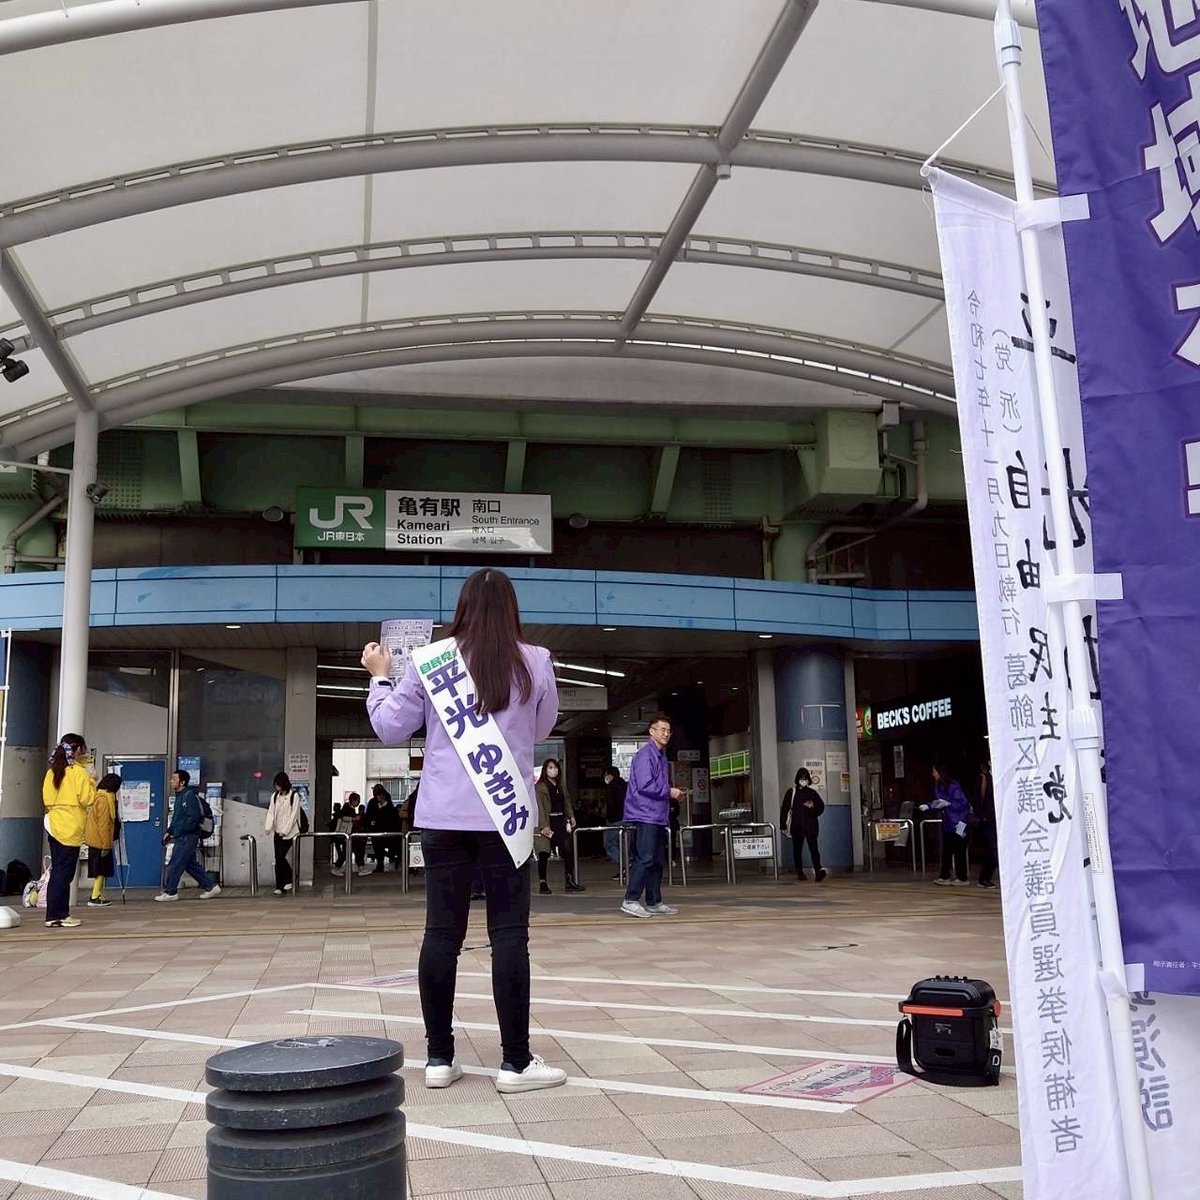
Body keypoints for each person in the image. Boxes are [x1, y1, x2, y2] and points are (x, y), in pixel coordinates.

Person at [362, 566, 566, 1094]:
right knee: (508, 937)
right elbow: (542, 729)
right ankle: (516, 1064)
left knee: (441, 935)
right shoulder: (537, 661)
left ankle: (438, 1059)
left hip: (444, 818)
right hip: (507, 818)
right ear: (511, 610)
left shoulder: (432, 661)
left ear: (462, 609)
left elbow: (388, 727)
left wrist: (380, 674)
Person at [621, 713, 683, 919]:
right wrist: (670, 791)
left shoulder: (659, 755)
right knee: (645, 857)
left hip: (656, 815)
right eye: (662, 730)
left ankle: (654, 901)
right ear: (652, 731)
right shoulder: (645, 755)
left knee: (656, 859)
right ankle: (630, 899)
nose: (666, 734)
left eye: (668, 730)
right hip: (644, 814)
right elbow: (645, 785)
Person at [41, 733, 96, 929]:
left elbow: (47, 799)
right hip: (70, 826)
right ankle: (58, 915)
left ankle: (53, 914)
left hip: (54, 823)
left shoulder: (52, 772)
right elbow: (87, 799)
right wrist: (92, 780)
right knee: (64, 874)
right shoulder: (77, 772)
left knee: (58, 871)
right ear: (78, 750)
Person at [156, 769, 222, 902]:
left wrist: (181, 829)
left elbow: (194, 817)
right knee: (189, 864)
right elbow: (177, 818)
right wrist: (170, 831)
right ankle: (211, 886)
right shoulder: (180, 797)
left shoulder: (188, 796)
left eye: (174, 779)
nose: (171, 781)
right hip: (183, 835)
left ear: (182, 782)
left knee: (175, 863)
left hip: (188, 836)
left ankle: (171, 891)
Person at [534, 758, 584, 895]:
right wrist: (543, 825)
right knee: (544, 853)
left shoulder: (561, 784)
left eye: (555, 768)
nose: (553, 770)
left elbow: (567, 801)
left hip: (560, 821)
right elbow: (539, 808)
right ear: (545, 770)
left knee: (568, 850)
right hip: (547, 822)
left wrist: (571, 816)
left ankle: (569, 880)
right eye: (550, 768)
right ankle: (543, 883)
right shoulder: (540, 787)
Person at [920, 762, 971, 886]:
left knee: (959, 851)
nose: (933, 774)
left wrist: (949, 804)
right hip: (948, 822)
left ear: (940, 772)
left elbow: (962, 803)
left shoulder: (954, 785)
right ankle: (945, 876)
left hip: (959, 822)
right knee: (947, 851)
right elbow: (939, 802)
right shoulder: (938, 785)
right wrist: (929, 806)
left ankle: (962, 878)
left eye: (934, 771)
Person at [780, 768, 826, 882]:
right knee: (797, 850)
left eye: (805, 779)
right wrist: (783, 825)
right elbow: (785, 809)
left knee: (814, 848)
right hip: (797, 826)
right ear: (797, 779)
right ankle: (800, 872)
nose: (803, 781)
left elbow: (821, 807)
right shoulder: (791, 792)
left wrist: (812, 807)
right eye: (801, 779)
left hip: (810, 826)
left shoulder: (812, 793)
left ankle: (818, 870)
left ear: (808, 780)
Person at [264, 771, 303, 895]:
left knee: (280, 857)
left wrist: (285, 831)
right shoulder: (275, 796)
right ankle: (280, 886)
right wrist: (268, 827)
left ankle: (290, 877)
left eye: (279, 785)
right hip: (277, 830)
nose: (277, 787)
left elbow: (294, 816)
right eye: (276, 785)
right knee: (278, 858)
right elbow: (271, 812)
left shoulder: (294, 796)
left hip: (290, 833)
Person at [85, 772, 121, 907]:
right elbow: (104, 824)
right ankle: (95, 896)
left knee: (99, 869)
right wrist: (106, 844)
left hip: (95, 839)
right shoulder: (105, 801)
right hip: (100, 841)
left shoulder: (99, 796)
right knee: (101, 870)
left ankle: (97, 894)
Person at [975, 757, 998, 889]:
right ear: (989, 763)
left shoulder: (1001, 777)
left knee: (993, 850)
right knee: (992, 849)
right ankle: (984, 878)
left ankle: (985, 878)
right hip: (987, 820)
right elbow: (977, 798)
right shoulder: (983, 778)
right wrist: (982, 816)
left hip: (997, 819)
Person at [603, 765, 626, 879]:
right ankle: (624, 868)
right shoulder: (625, 785)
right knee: (624, 845)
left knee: (609, 844)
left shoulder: (612, 786)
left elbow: (611, 804)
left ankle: (625, 864)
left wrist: (607, 815)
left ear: (610, 775)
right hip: (627, 818)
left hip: (615, 819)